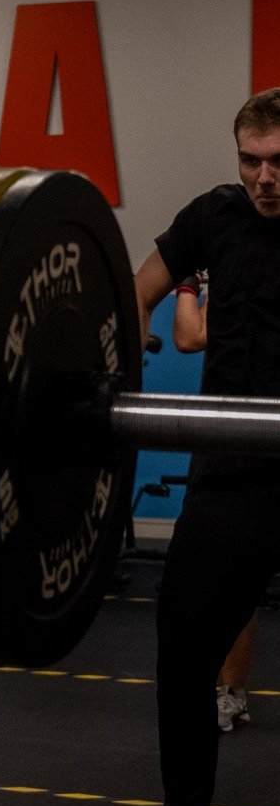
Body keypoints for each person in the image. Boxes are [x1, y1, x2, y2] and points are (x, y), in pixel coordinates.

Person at [115, 89, 280, 806]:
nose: (264, 178)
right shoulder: (212, 217)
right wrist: (125, 339)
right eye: (251, 160)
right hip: (232, 474)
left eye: (279, 161)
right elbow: (134, 293)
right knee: (183, 649)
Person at [171, 274, 256, 733]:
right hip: (232, 428)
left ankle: (232, 693)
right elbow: (191, 337)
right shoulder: (235, 267)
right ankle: (231, 693)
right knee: (233, 573)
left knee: (236, 572)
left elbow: (189, 336)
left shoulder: (244, 270)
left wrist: (189, 287)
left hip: (252, 430)